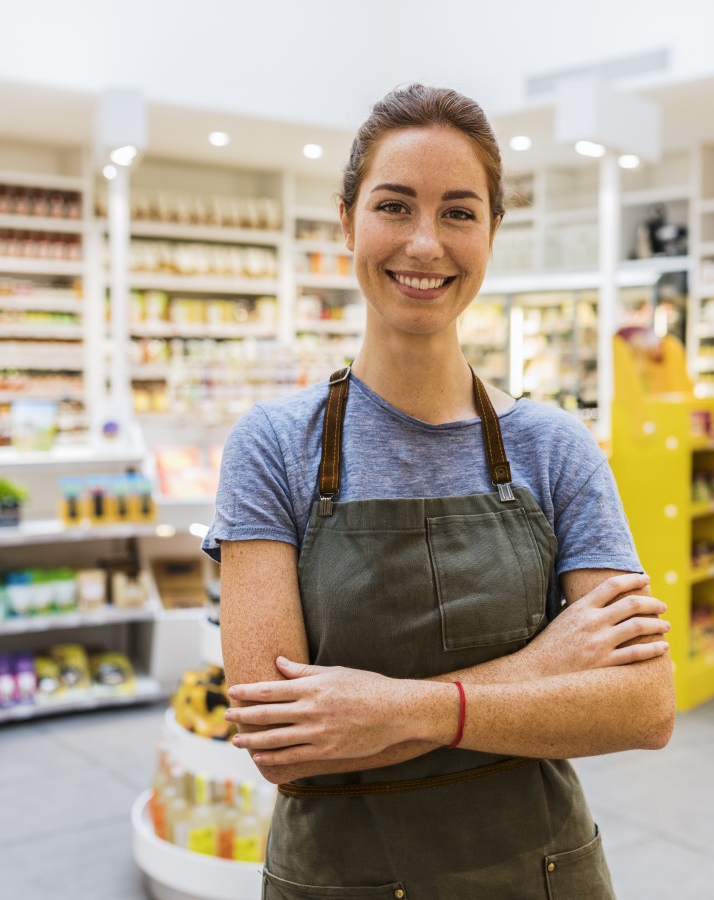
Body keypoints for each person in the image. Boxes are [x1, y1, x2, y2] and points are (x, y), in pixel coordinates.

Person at [202, 83, 675, 900]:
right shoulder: (274, 446)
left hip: (540, 874)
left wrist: (396, 710)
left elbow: (643, 706)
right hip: (341, 880)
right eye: (394, 206)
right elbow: (282, 745)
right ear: (347, 221)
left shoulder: (554, 446)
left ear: (492, 232)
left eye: (459, 212)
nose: (425, 243)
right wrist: (540, 668)